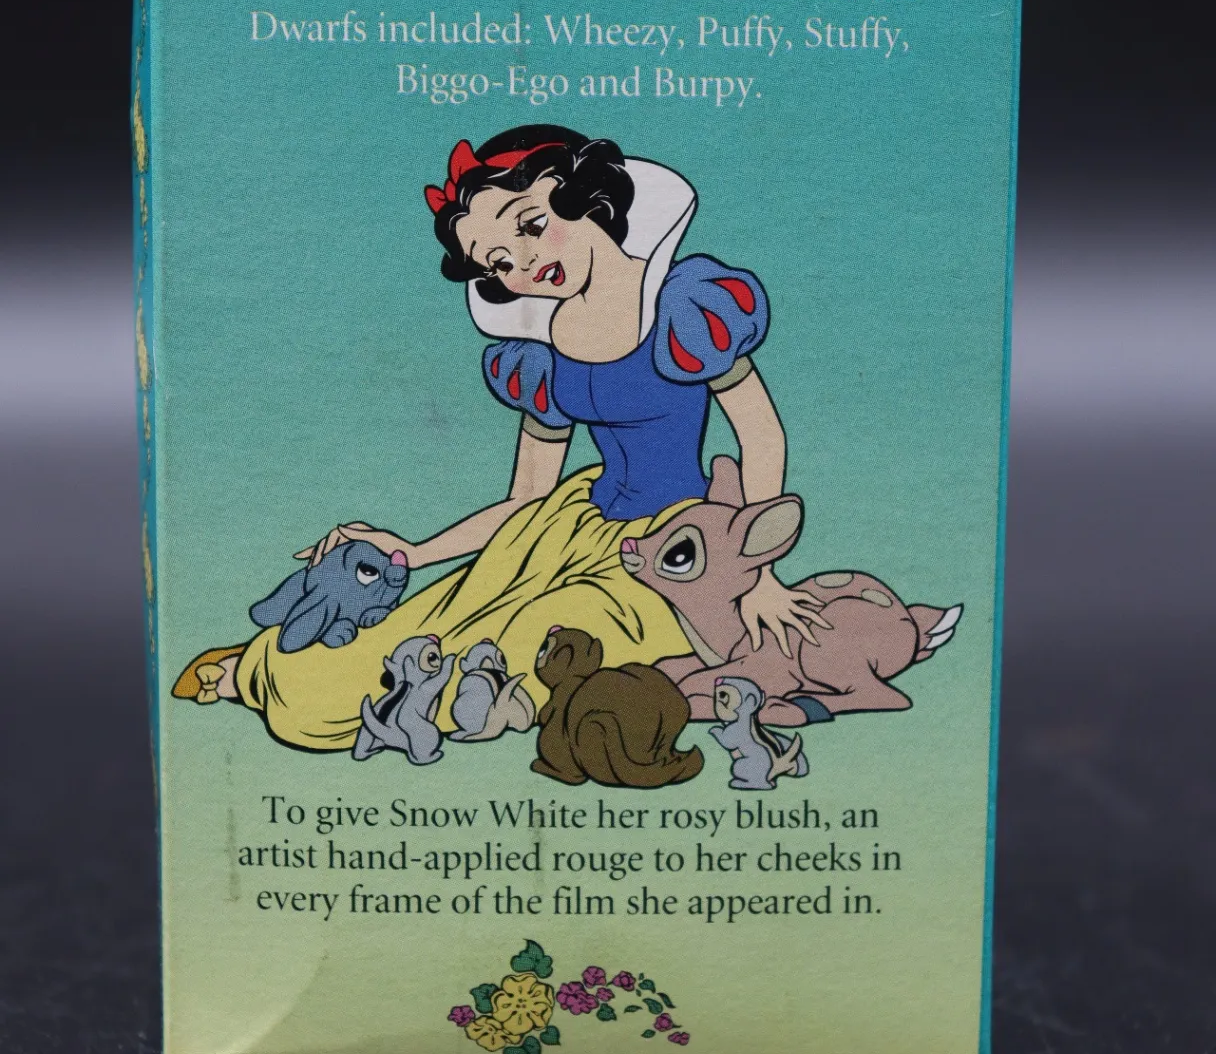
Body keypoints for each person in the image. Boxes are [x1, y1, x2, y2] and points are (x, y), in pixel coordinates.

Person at [173, 125, 822, 749]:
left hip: (678, 550)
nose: (526, 263)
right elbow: (526, 497)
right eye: (500, 262)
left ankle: (320, 702)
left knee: (510, 654)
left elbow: (762, 438)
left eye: (531, 226)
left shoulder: (687, 308)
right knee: (432, 624)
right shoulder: (539, 353)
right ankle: (260, 670)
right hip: (566, 523)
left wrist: (755, 571)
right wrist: (415, 553)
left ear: (587, 196)